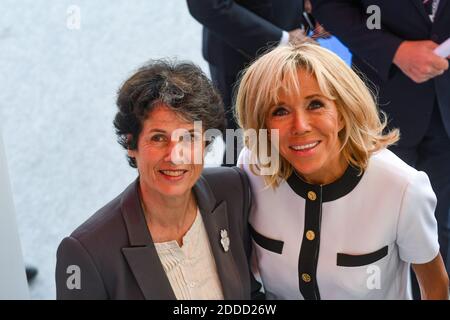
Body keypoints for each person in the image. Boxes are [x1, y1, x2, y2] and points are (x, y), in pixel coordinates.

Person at [236, 42, 449, 299]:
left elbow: (436, 286)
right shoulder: (253, 166)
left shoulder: (402, 187)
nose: (300, 126)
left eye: (315, 104)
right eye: (279, 111)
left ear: (342, 113)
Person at [55, 60, 261, 299]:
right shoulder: (87, 252)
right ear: (131, 144)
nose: (175, 156)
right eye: (158, 138)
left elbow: (251, 293)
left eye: (189, 137)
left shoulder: (233, 190)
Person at [309, 1, 450, 289]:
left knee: (441, 227)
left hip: (445, 108)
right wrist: (394, 51)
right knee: (372, 231)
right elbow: (329, 5)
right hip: (383, 100)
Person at [186, 0, 311, 166]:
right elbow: (207, 6)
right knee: (243, 147)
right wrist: (281, 40)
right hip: (239, 59)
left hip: (293, 45)